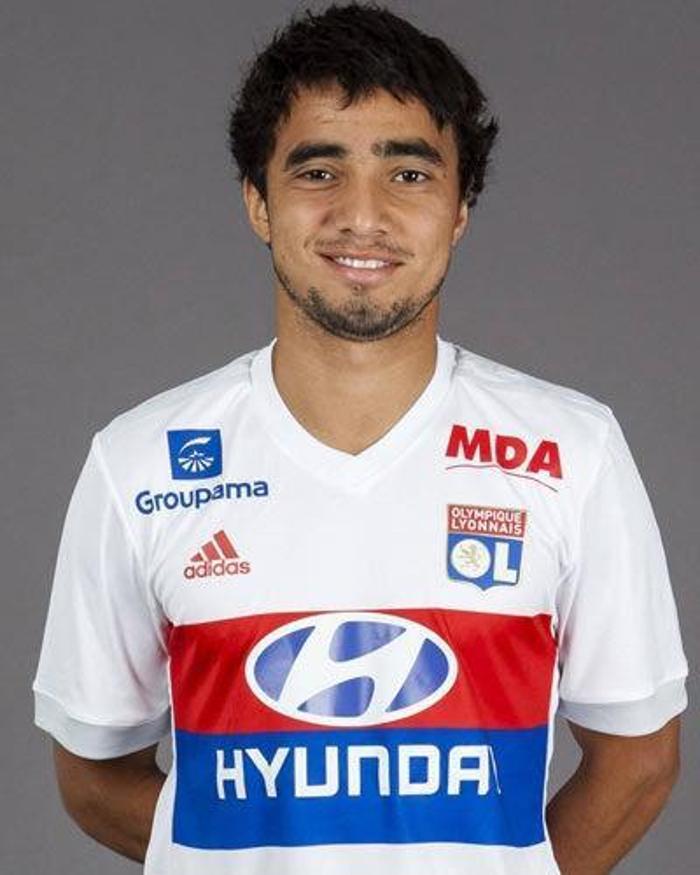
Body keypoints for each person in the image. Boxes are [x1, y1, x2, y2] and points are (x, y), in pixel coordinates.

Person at [32, 3, 688, 874]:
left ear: (460, 208)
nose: (362, 215)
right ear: (258, 202)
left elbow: (638, 763)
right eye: (318, 171)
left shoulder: (573, 452)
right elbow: (90, 776)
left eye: (409, 174)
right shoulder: (138, 463)